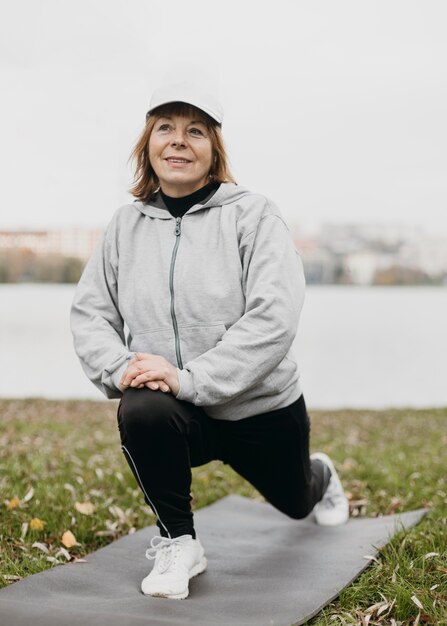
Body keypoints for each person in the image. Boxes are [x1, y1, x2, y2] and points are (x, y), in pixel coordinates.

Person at [70, 83, 349, 601]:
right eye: (165, 129)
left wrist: (191, 377)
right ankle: (180, 543)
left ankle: (322, 475)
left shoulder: (253, 214)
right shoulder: (124, 225)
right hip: (176, 409)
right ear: (148, 144)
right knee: (142, 408)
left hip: (259, 410)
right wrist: (121, 367)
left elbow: (275, 317)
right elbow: (90, 313)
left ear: (214, 149)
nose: (178, 141)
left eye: (194, 130)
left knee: (296, 500)